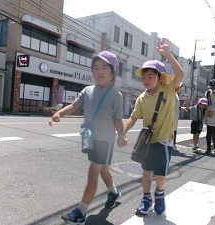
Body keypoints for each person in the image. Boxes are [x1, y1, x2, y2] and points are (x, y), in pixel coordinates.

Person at [49, 51, 127, 224]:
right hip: (90, 137)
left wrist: (122, 135)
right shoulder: (87, 90)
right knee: (103, 169)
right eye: (96, 67)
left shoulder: (116, 95)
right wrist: (60, 113)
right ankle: (114, 192)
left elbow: (117, 120)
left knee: (93, 173)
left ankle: (81, 212)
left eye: (104, 68)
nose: (99, 71)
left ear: (113, 73)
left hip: (105, 141)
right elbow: (74, 105)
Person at [123, 39, 184, 216]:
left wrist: (167, 55)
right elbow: (133, 117)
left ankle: (160, 195)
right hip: (147, 141)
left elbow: (179, 73)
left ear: (160, 78)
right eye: (143, 77)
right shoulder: (141, 97)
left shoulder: (169, 90)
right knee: (146, 172)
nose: (146, 80)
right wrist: (122, 133)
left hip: (164, 140)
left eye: (150, 77)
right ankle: (146, 199)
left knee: (161, 175)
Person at [173, 82, 183, 151]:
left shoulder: (176, 95)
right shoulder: (171, 94)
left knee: (174, 131)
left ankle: (173, 144)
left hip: (175, 117)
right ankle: (172, 144)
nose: (180, 89)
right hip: (170, 117)